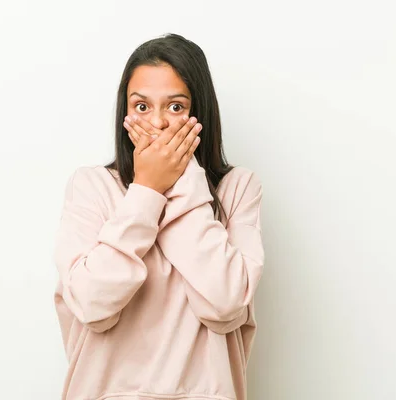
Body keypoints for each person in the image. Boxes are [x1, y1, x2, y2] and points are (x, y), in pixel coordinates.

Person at [53, 33, 265, 400]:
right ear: (126, 112)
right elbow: (92, 304)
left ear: (201, 112)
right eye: (142, 106)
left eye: (176, 107)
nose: (159, 124)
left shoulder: (237, 188)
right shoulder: (91, 186)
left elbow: (226, 302)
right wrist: (147, 191)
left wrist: (182, 180)